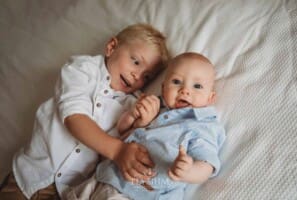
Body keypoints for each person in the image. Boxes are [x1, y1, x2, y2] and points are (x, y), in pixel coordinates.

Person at [0, 23, 170, 200]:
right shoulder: (83, 69)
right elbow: (74, 117)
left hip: (65, 191)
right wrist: (118, 150)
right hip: (29, 175)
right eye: (135, 62)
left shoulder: (130, 104)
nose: (137, 75)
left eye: (147, 76)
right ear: (111, 47)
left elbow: (115, 152)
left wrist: (139, 123)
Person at [67, 52, 226, 200]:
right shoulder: (156, 109)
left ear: (210, 98)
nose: (185, 91)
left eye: (197, 86)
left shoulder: (202, 125)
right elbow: (122, 131)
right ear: (163, 89)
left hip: (138, 193)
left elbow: (207, 164)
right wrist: (134, 116)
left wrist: (190, 171)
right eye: (176, 82)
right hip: (104, 177)